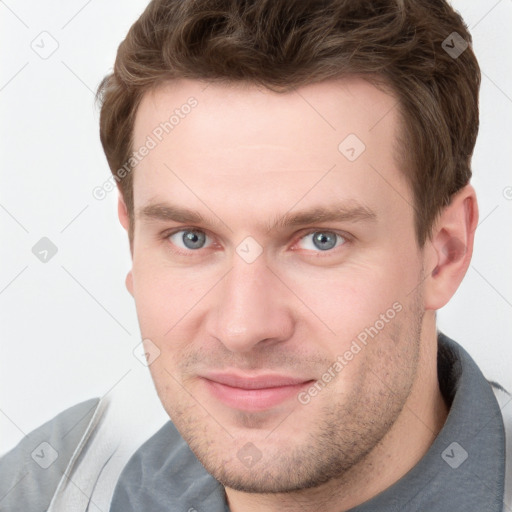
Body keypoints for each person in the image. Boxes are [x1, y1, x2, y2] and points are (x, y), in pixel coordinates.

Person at [1, 0, 511, 510]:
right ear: (132, 242)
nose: (243, 328)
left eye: (320, 240)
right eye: (191, 238)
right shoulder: (48, 488)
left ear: (445, 252)